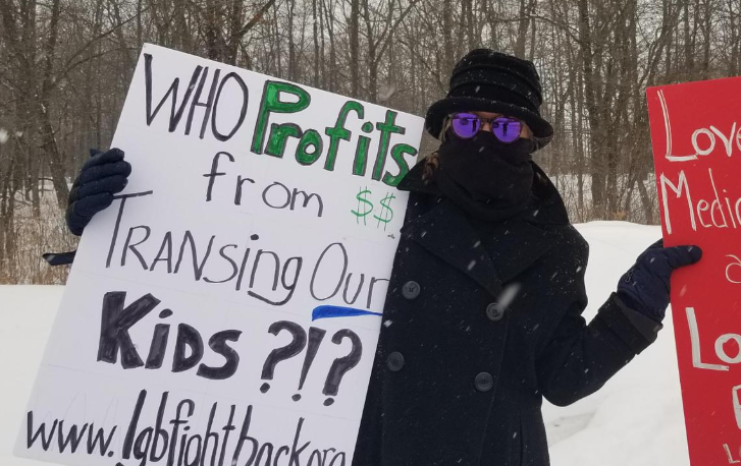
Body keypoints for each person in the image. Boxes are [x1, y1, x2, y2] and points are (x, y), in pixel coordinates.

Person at [54, 49, 701, 466]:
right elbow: (236, 273)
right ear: (443, 132)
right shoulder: (372, 211)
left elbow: (563, 379)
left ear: (530, 140)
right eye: (467, 124)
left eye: (504, 126)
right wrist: (117, 222)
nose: (484, 137)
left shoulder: (557, 245)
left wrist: (637, 303)